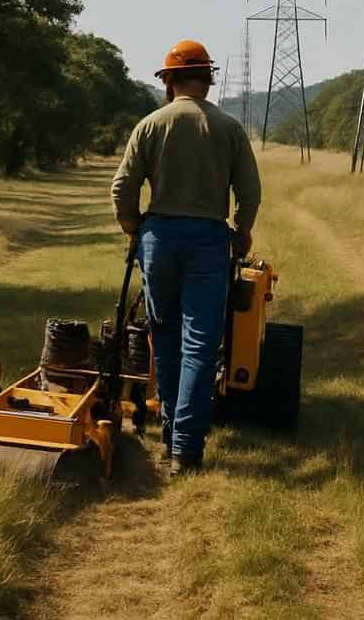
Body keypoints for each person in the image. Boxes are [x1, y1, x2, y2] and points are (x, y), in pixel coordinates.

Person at [109, 39, 261, 476]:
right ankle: (185, 451)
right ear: (207, 79)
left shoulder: (151, 124)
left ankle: (173, 432)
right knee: (200, 344)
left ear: (170, 80)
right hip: (210, 238)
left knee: (166, 340)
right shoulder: (229, 128)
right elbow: (249, 191)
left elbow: (123, 186)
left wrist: (132, 226)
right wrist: (242, 231)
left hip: (160, 237)